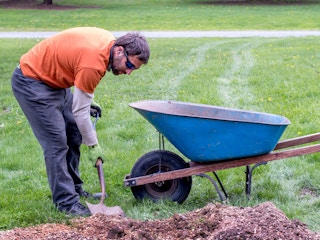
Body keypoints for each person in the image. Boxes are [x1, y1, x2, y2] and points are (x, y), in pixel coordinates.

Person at [11, 27, 150, 216]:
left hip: (54, 81)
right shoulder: (94, 64)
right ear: (120, 51)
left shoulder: (108, 44)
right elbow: (81, 112)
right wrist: (93, 145)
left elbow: (76, 65)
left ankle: (74, 188)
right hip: (33, 82)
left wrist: (85, 98)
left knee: (74, 132)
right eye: (130, 66)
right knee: (56, 143)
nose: (128, 72)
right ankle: (66, 203)